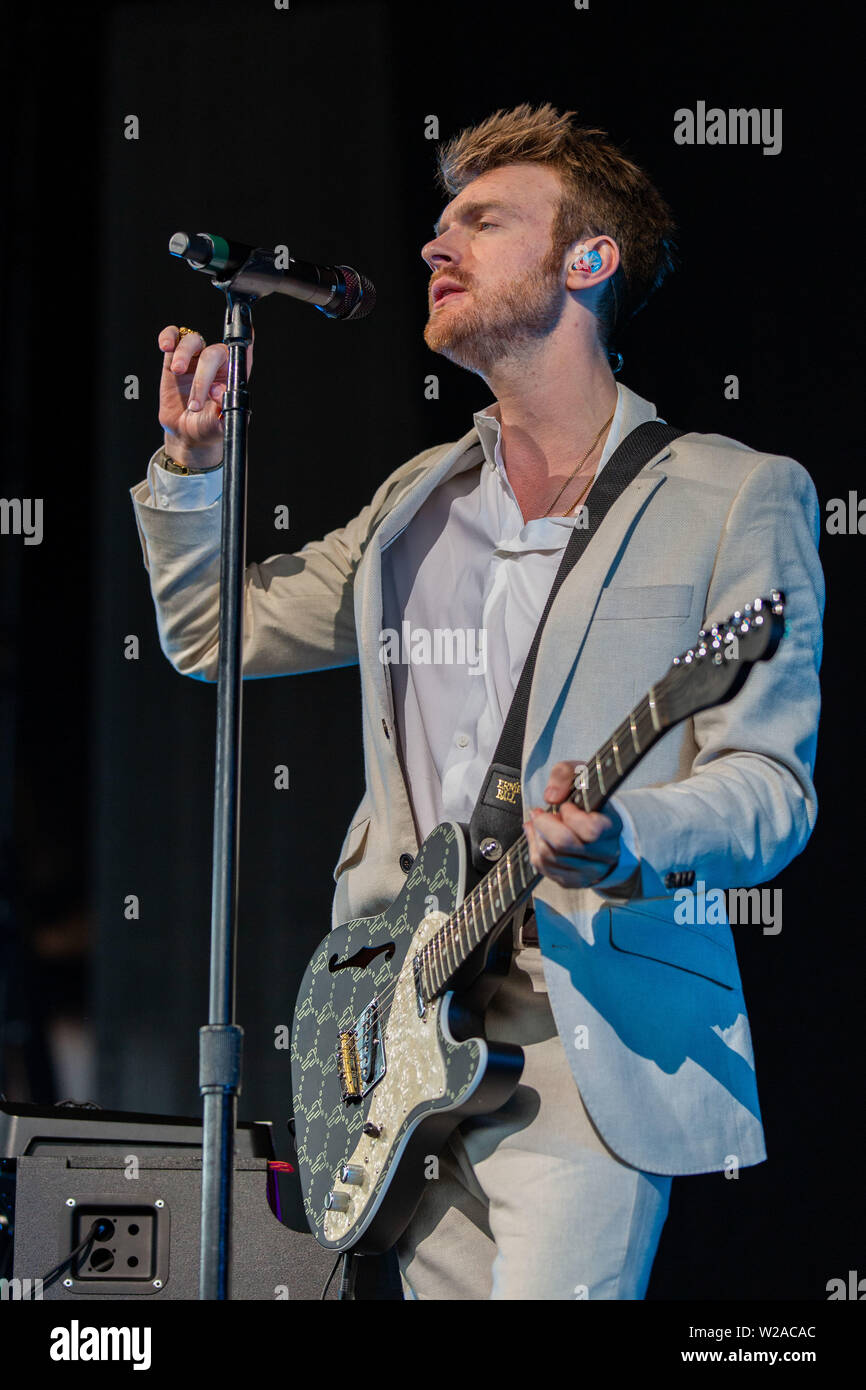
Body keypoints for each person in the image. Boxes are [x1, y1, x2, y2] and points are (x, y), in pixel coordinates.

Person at [130, 103, 824, 1300]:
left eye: (482, 220)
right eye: (441, 222)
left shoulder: (735, 493)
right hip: (393, 1032)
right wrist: (196, 470)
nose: (433, 247)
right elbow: (211, 636)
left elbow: (771, 790)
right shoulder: (414, 500)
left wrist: (623, 837)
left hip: (586, 1034)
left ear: (586, 261)